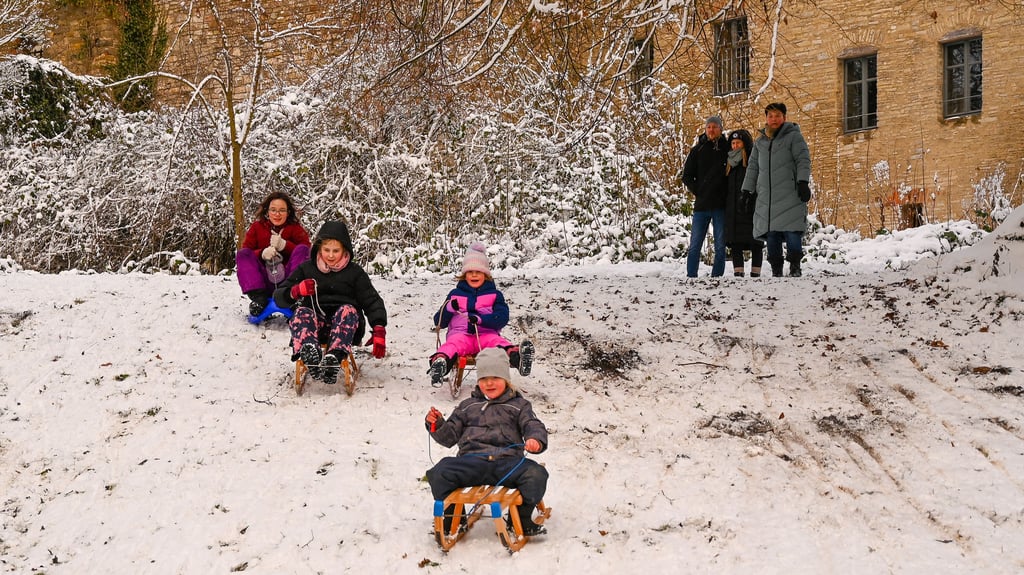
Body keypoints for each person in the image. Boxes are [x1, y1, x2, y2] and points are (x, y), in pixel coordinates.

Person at [424, 346, 550, 536]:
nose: (489, 383)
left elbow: (532, 424)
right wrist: (437, 424)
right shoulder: (468, 406)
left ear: (506, 380)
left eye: (495, 378)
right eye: (483, 378)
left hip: (507, 463)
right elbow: (449, 437)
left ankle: (522, 520)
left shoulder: (519, 406)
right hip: (472, 462)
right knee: (439, 472)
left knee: (537, 474)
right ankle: (454, 521)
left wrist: (535, 439)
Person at [273, 221, 387, 385]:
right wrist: (296, 291)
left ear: (345, 250)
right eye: (326, 250)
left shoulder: (354, 273)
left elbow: (371, 300)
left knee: (348, 310)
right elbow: (278, 297)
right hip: (314, 328)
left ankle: (334, 358)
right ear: (319, 248)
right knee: (301, 312)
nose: (331, 255)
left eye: (336, 251)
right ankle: (309, 351)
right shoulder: (306, 269)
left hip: (345, 328)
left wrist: (379, 327)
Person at [428, 242, 534, 386]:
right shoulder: (455, 294)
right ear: (464, 274)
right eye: (470, 272)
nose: (474, 275)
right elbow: (439, 321)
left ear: (486, 274)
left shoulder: (495, 295)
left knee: (498, 343)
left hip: (486, 335)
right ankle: (439, 365)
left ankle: (519, 359)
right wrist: (449, 309)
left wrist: (481, 319)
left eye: (478, 272)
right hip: (460, 335)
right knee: (452, 346)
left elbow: (502, 318)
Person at [741, 102, 812, 277]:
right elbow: (753, 168)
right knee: (771, 234)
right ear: (766, 118)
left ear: (784, 118)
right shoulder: (760, 143)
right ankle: (776, 269)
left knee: (791, 231)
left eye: (777, 115)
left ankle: (795, 265)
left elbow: (803, 160)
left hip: (790, 194)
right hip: (767, 198)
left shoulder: (794, 137)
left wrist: (803, 182)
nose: (774, 119)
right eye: (770, 116)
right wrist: (746, 191)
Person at [236, 192, 311, 316]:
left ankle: (294, 298)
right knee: (243, 254)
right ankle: (258, 299)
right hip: (263, 281)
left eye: (282, 210)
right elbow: (246, 254)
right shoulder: (256, 227)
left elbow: (308, 253)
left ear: (288, 212)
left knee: (302, 249)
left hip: (288, 282)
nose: (277, 214)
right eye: (273, 210)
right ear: (267, 211)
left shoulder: (296, 229)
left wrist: (285, 245)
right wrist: (262, 254)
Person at [681, 116, 730, 278]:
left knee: (720, 245)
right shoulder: (697, 150)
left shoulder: (728, 149)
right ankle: (691, 276)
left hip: (721, 205)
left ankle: (717, 276)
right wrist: (699, 191)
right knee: (695, 244)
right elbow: (686, 176)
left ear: (721, 129)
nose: (711, 130)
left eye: (715, 127)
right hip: (701, 206)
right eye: (708, 127)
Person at [723, 129, 765, 277]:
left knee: (756, 242)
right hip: (733, 209)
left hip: (751, 207)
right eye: (733, 143)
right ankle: (738, 272)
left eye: (738, 143)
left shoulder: (753, 161)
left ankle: (756, 273)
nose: (735, 146)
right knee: (735, 242)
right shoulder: (728, 163)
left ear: (744, 144)